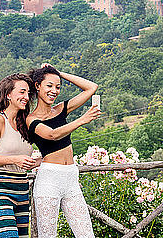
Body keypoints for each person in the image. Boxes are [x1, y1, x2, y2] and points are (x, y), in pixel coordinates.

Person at [19, 64, 100, 238]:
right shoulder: (31, 119)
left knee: (86, 234)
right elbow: (53, 135)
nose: (54, 91)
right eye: (49, 86)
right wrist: (82, 120)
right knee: (48, 235)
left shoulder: (61, 109)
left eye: (58, 87)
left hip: (71, 177)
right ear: (37, 86)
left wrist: (58, 73)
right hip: (49, 180)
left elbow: (91, 88)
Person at [0, 73, 40, 238]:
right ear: (8, 95)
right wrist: (15, 159)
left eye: (28, 93)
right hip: (0, 191)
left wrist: (36, 162)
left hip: (22, 191)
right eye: (21, 92)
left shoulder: (24, 123)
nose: (26, 97)